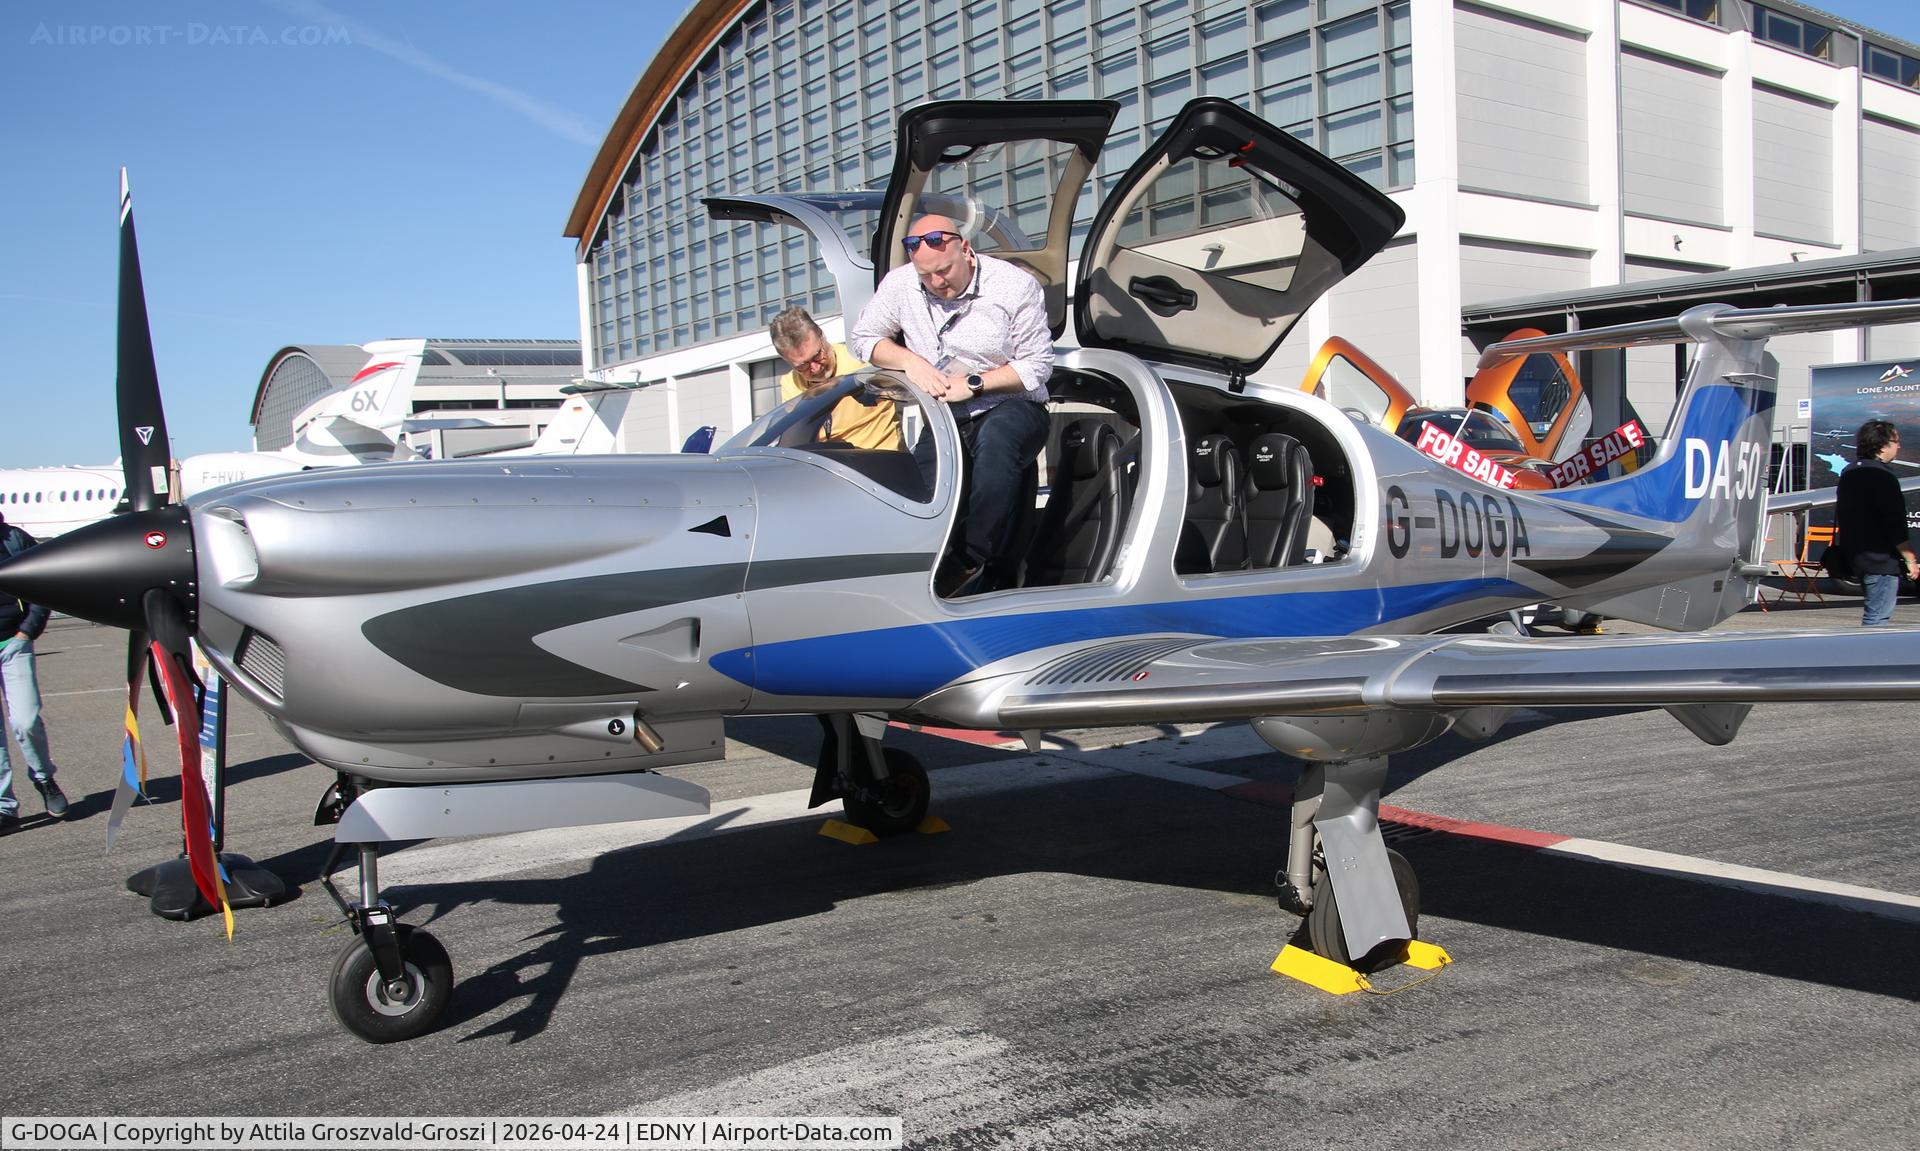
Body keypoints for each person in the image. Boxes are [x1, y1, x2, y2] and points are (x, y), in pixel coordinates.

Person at [848, 211, 1053, 595]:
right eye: (926, 276)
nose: (937, 282)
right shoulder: (901, 284)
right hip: (945, 415)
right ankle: (916, 578)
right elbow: (863, 340)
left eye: (944, 271)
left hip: (1012, 404)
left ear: (966, 250)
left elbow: (1037, 365)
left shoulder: (1014, 285)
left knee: (996, 444)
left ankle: (968, 560)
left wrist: (974, 384)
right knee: (923, 491)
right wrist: (910, 361)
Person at [0, 511, 65, 831]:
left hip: (14, 643)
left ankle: (43, 777)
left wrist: (28, 631)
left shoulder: (15, 540)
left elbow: (43, 582)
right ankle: (4, 806)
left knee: (25, 721)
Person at [768, 307, 901, 451]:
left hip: (882, 456)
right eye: (802, 366)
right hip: (829, 461)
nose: (815, 368)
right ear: (786, 361)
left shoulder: (860, 360)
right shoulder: (791, 384)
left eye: (817, 355)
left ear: (822, 335)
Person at [1834, 419, 1918, 626]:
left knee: (1874, 612)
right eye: (1896, 441)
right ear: (1882, 445)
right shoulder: (1883, 477)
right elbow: (1894, 522)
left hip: (1857, 557)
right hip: (1880, 561)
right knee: (1877, 618)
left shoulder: (1849, 472)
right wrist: (1910, 559)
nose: (1899, 446)